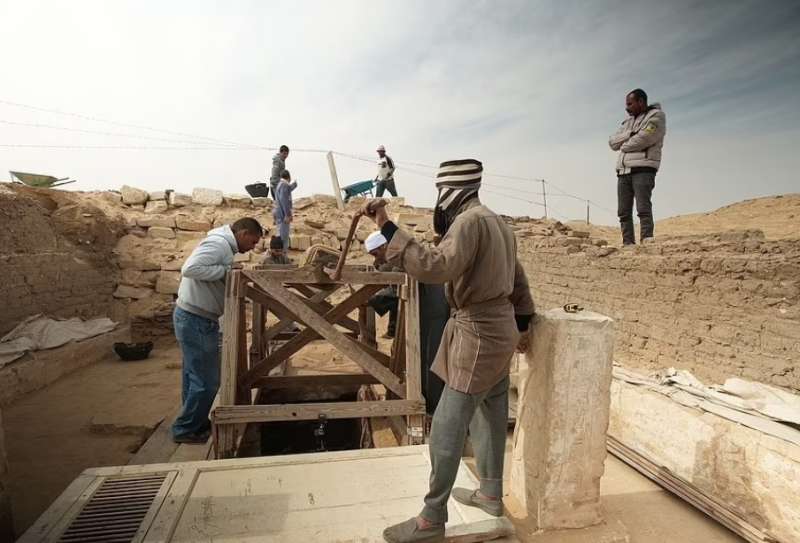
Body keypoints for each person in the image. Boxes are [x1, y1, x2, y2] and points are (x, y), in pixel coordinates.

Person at [363, 159, 534, 543]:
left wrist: (387, 225)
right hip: (500, 330)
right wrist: (522, 324)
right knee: (490, 410)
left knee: (446, 423)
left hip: (478, 333)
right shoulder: (498, 222)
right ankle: (490, 494)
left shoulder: (469, 222)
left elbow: (437, 267)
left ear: (450, 191)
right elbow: (517, 278)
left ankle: (431, 519)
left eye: (440, 191)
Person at [172, 217, 263, 444]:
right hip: (196, 318)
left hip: (196, 317)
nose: (252, 247)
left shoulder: (223, 244)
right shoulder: (219, 244)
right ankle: (185, 429)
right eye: (252, 242)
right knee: (207, 381)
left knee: (194, 377)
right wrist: (226, 271)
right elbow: (190, 268)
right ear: (242, 233)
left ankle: (194, 423)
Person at [608, 88, 667, 245]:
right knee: (623, 212)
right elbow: (612, 142)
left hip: (643, 169)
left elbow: (645, 138)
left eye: (630, 103)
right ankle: (628, 244)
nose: (626, 107)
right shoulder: (627, 123)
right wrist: (629, 134)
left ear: (641, 101)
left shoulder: (656, 116)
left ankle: (647, 242)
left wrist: (625, 145)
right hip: (623, 171)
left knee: (643, 208)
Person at [365, 231, 399, 338]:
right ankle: (392, 331)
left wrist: (371, 301)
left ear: (384, 246)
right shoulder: (392, 257)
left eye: (375, 254)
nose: (376, 258)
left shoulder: (400, 258)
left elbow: (396, 292)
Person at [273, 169, 297, 251]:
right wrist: (288, 215)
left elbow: (287, 190)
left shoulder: (280, 185)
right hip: (283, 216)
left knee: (281, 237)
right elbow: (285, 200)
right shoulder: (284, 185)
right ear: (289, 177)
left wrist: (293, 185)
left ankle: (281, 259)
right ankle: (283, 259)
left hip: (279, 215)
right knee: (283, 239)